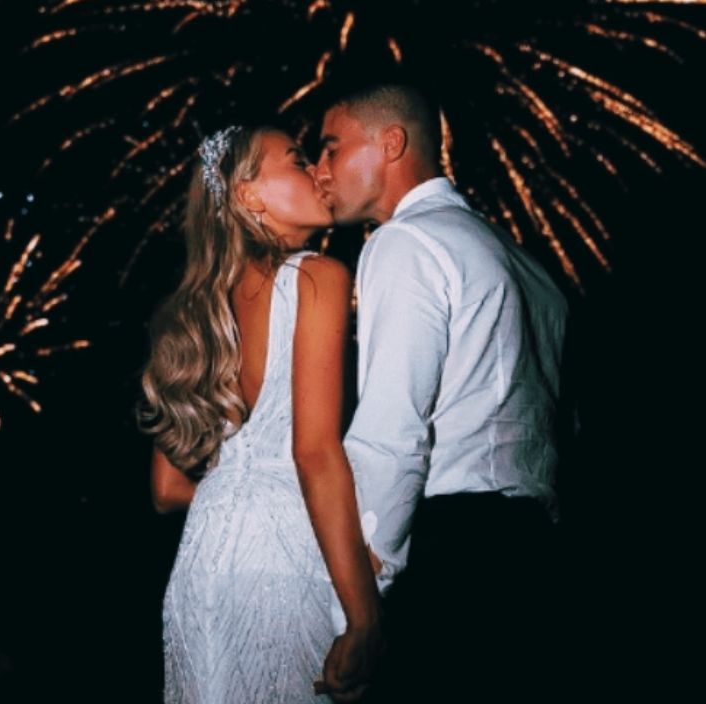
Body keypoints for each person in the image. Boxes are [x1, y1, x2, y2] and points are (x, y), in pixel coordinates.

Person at [315, 84, 570, 699]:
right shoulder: (524, 265)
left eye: (330, 148)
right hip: (534, 548)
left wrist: (360, 602)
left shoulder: (404, 243)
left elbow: (394, 431)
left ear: (391, 143)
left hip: (452, 549)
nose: (319, 170)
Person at [138, 124, 382, 704]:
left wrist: (239, 500)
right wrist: (364, 613)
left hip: (200, 567)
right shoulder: (317, 277)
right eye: (298, 161)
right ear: (248, 196)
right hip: (281, 565)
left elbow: (167, 488)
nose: (318, 173)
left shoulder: (196, 312)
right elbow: (314, 452)